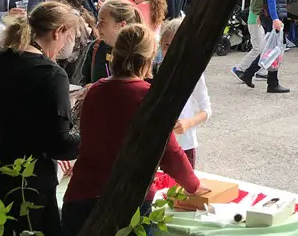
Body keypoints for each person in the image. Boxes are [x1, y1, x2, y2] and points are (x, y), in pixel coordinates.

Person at [62, 24, 204, 234]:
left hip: (82, 195)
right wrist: (193, 185)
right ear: (149, 59)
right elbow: (168, 150)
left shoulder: (96, 90)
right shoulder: (148, 95)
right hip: (127, 200)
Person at [0, 1, 80, 236]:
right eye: (67, 36)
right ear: (58, 31)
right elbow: (59, 144)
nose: (65, 45)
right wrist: (87, 134)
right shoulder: (51, 74)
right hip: (26, 190)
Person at [158, 18, 211, 166]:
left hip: (184, 146)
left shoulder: (193, 73)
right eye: (166, 45)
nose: (171, 51)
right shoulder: (155, 71)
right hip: (157, 146)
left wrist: (188, 123)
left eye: (177, 45)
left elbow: (206, 109)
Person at [238, 0, 290, 93]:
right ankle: (269, 82)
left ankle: (253, 75)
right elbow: (271, 0)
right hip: (273, 16)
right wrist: (275, 19)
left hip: (265, 15)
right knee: (275, 48)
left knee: (272, 48)